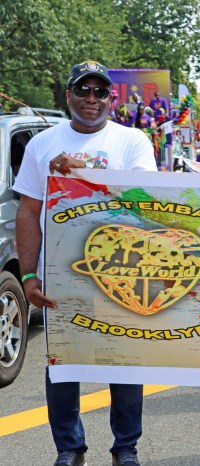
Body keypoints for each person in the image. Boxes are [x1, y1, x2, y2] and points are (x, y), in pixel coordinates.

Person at [13, 61, 157, 466]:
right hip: (62, 272)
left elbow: (141, 198)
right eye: (83, 90)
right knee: (63, 363)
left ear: (111, 98)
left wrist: (80, 171)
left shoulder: (133, 141)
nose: (91, 99)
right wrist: (28, 273)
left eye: (100, 92)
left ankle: (125, 447)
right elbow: (28, 212)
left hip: (122, 269)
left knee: (125, 362)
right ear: (69, 95)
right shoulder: (42, 144)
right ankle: (69, 448)